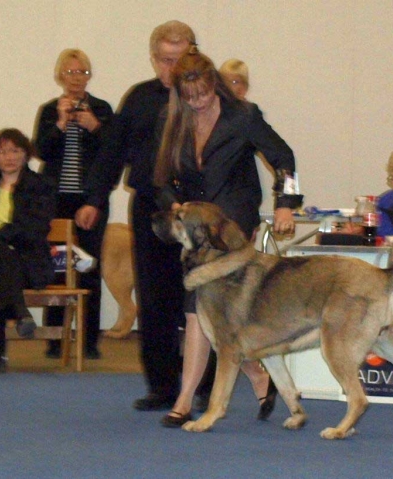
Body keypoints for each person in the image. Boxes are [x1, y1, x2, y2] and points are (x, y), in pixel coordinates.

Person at [153, 51, 302, 427]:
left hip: (231, 225)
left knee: (197, 307)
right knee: (212, 314)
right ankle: (257, 376)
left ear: (214, 84)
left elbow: (283, 157)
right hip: (195, 227)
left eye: (203, 94)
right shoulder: (173, 120)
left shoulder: (243, 116)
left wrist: (284, 204)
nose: (198, 102)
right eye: (190, 98)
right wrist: (175, 206)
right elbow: (160, 179)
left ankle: (185, 399)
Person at [74, 21, 197, 411]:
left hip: (198, 211)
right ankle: (162, 386)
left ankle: (204, 385)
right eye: (163, 59)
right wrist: (94, 198)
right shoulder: (140, 98)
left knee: (202, 300)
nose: (169, 67)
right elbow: (112, 151)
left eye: (177, 59)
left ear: (193, 55)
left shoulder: (210, 99)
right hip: (150, 209)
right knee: (155, 298)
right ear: (153, 58)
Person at [35, 49, 114, 360]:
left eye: (82, 73)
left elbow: (112, 152)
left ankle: (88, 342)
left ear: (89, 76)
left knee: (89, 267)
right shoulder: (48, 110)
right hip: (55, 201)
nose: (76, 79)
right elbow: (41, 151)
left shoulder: (103, 109)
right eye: (70, 73)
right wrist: (59, 123)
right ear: (60, 76)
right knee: (56, 267)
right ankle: (55, 340)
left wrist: (94, 125)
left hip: (90, 201)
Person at [0, 129, 56, 373]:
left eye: (15, 150)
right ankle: (20, 312)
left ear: (26, 154)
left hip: (28, 260)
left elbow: (36, 227)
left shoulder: (41, 185)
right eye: (2, 151)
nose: (9, 156)